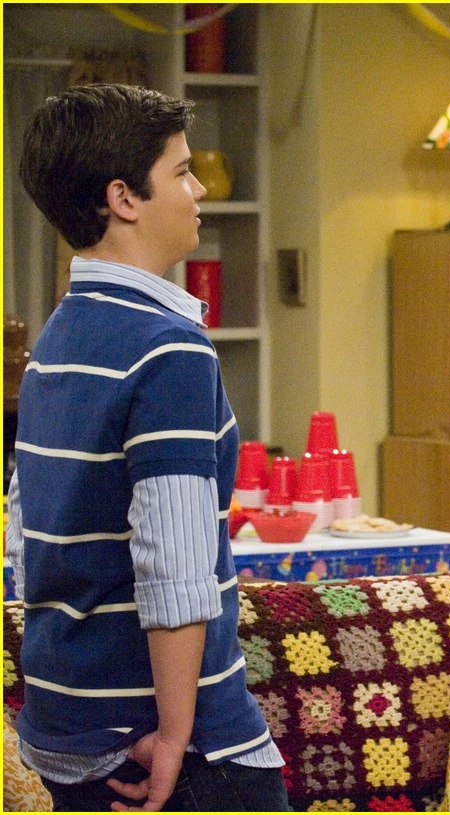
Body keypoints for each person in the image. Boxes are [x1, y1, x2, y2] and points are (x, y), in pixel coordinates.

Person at [8, 84, 289, 812]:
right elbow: (175, 567)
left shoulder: (57, 340)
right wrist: (177, 732)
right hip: (174, 747)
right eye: (183, 171)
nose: (199, 190)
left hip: (67, 728)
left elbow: (28, 541)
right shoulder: (168, 350)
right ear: (124, 198)